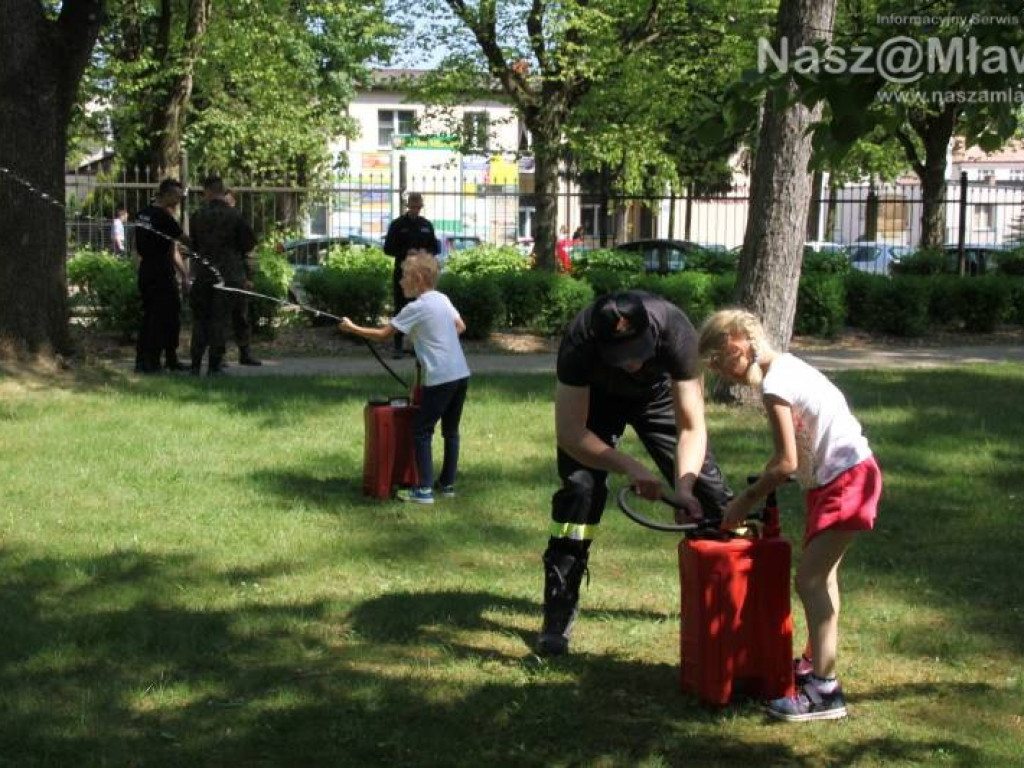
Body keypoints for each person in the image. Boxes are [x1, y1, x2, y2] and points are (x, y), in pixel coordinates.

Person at [698, 309, 882, 722]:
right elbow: (795, 454)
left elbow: (785, 462)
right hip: (839, 479)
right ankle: (815, 665)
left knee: (811, 579)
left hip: (846, 480)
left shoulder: (776, 383)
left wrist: (745, 500)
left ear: (737, 342)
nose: (717, 371)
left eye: (716, 359)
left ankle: (824, 692)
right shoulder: (787, 368)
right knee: (825, 577)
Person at [537, 290, 733, 655]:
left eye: (637, 354)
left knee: (711, 496)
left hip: (656, 396)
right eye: (621, 357)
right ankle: (559, 606)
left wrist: (684, 487)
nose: (631, 364)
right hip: (596, 401)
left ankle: (730, 605)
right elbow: (570, 434)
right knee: (580, 491)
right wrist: (631, 466)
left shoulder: (676, 331)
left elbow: (691, 427)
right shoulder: (580, 341)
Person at [338, 251, 470, 504]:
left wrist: (352, 328)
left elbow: (383, 334)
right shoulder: (442, 299)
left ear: (418, 278)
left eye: (404, 276)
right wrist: (436, 340)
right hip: (460, 373)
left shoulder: (416, 307)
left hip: (440, 376)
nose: (400, 282)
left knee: (421, 430)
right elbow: (460, 326)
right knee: (451, 431)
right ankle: (448, 484)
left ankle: (424, 490)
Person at [188, 176, 257, 375]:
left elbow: (193, 245)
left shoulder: (197, 215)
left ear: (207, 192)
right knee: (220, 320)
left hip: (204, 273)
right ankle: (214, 366)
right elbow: (249, 243)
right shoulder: (234, 215)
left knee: (200, 320)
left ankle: (194, 364)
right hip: (227, 275)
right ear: (222, 190)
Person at [134, 179, 189, 373]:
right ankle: (152, 362)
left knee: (155, 315)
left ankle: (153, 359)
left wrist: (184, 274)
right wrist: (203, 248)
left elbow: (171, 248)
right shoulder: (162, 216)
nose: (178, 200)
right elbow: (183, 240)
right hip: (160, 272)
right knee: (160, 317)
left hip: (146, 271)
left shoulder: (142, 214)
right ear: (165, 194)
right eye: (176, 196)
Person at [383, 192, 440, 358]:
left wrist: (422, 253)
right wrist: (406, 252)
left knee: (421, 308)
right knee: (401, 308)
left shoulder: (426, 225)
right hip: (403, 274)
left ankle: (418, 346)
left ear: (421, 207)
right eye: (413, 207)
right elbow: (388, 249)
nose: (416, 210)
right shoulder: (397, 225)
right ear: (408, 207)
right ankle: (398, 345)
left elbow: (435, 249)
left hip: (422, 275)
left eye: (418, 207)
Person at [222, 189, 261, 366]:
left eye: (229, 202)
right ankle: (219, 355)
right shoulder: (212, 221)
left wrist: (249, 276)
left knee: (241, 317)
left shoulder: (239, 222)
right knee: (219, 318)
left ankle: (245, 352)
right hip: (218, 275)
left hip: (237, 275)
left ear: (234, 203)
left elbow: (250, 252)